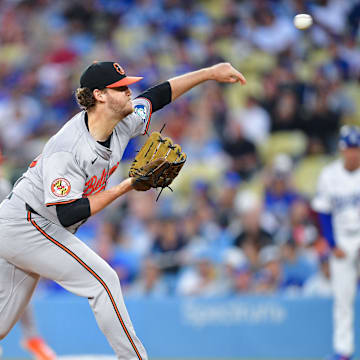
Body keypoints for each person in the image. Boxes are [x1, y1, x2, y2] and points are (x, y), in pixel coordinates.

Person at [0, 61, 246, 359]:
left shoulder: (123, 120)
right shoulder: (69, 147)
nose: (130, 92)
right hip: (28, 223)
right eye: (121, 88)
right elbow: (68, 213)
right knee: (104, 280)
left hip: (33, 224)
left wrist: (209, 73)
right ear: (100, 95)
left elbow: (158, 96)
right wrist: (128, 185)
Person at [0, 151, 56, 360]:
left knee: (20, 286)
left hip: (6, 244)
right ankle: (31, 337)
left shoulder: (3, 186)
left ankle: (32, 338)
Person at [312, 125, 360, 360]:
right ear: (342, 149)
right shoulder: (329, 175)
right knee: (343, 299)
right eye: (349, 148)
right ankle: (344, 352)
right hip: (342, 240)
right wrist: (332, 244)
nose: (352, 153)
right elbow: (323, 213)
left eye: (356, 148)